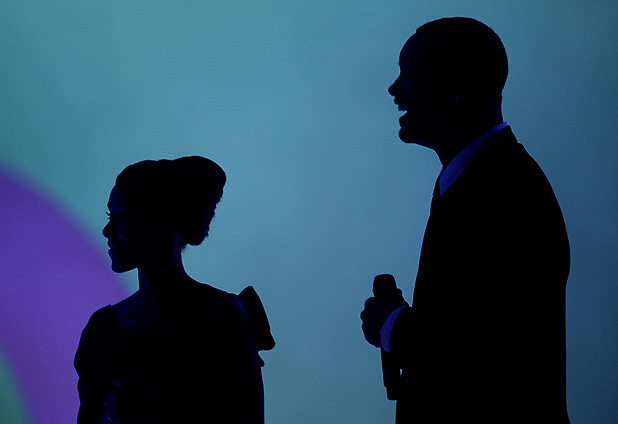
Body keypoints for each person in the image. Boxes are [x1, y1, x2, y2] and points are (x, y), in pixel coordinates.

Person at [361, 17, 570, 423]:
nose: (394, 90)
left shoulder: (509, 190)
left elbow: (499, 352)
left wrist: (395, 326)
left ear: (459, 85)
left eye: (409, 74)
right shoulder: (474, 181)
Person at [74, 156, 274, 423]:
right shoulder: (101, 328)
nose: (107, 230)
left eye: (123, 217)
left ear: (168, 222)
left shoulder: (221, 316)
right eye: (111, 216)